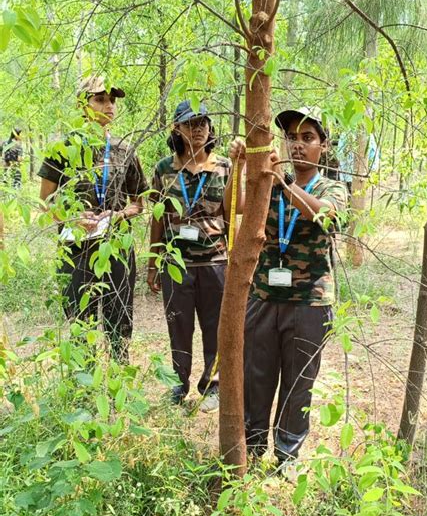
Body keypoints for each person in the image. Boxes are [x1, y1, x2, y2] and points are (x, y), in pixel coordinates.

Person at [242, 106, 348, 467]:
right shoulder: (270, 182)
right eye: (292, 138)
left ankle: (286, 454)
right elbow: (234, 208)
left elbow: (322, 214)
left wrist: (283, 183)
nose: (299, 145)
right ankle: (252, 448)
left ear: (323, 145)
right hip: (264, 297)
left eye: (308, 138)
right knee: (256, 374)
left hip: (309, 302)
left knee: (298, 381)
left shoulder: (332, 187)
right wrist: (243, 169)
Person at [38, 76, 148, 362]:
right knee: (80, 322)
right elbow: (45, 200)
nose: (109, 105)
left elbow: (139, 203)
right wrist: (72, 217)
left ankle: (119, 383)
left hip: (117, 248)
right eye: (100, 99)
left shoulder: (125, 150)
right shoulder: (62, 149)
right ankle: (84, 392)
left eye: (112, 100)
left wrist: (120, 214)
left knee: (120, 319)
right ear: (82, 105)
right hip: (76, 250)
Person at [147, 99, 244, 410]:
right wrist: (153, 263)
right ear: (177, 128)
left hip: (215, 262)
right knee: (179, 324)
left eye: (203, 122)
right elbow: (158, 218)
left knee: (215, 325)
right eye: (190, 123)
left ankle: (212, 383)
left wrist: (234, 261)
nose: (198, 129)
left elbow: (233, 212)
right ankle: (179, 381)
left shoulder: (224, 166)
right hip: (176, 265)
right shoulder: (164, 169)